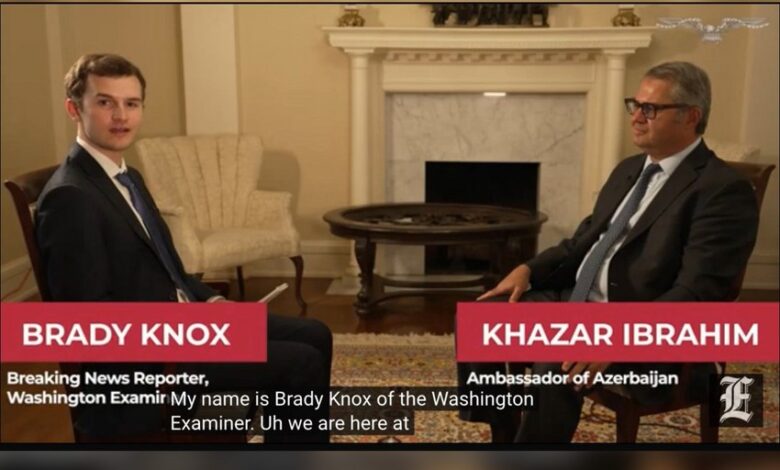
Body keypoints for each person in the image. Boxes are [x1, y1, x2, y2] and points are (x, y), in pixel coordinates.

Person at [36, 53, 331, 443]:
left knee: (315, 333)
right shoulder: (71, 197)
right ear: (74, 109)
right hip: (151, 365)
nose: (121, 116)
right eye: (105, 102)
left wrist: (211, 302)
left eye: (131, 103)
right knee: (300, 362)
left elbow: (168, 269)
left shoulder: (126, 176)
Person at [459, 61, 759, 442]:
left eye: (650, 108)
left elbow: (697, 293)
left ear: (691, 116)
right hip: (580, 302)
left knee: (555, 363)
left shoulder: (722, 190)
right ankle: (504, 435)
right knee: (480, 319)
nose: (636, 117)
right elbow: (581, 243)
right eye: (634, 104)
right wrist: (528, 270)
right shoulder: (630, 169)